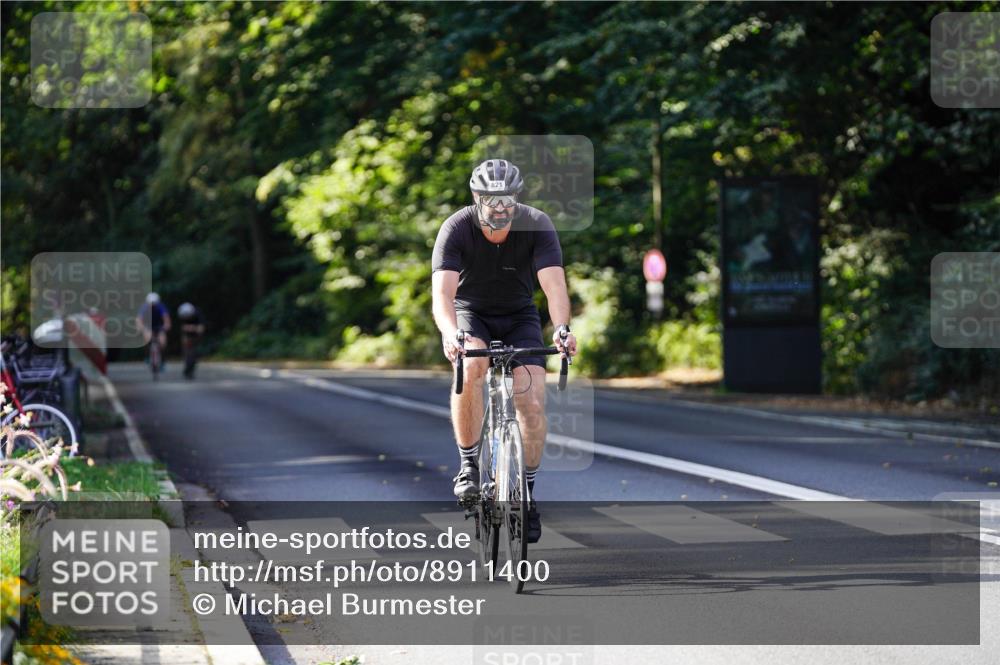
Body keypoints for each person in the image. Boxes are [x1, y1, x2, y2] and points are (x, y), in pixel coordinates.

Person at [431, 158, 578, 543]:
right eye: (491, 200)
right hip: (471, 314)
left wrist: (562, 329)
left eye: (507, 200)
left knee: (531, 402)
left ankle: (525, 493)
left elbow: (555, 288)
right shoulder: (456, 228)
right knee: (472, 365)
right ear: (476, 198)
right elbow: (443, 294)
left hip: (519, 316)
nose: (500, 209)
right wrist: (451, 334)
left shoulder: (537, 224)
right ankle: (468, 465)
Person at [136, 293, 170, 369]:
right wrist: (140, 327)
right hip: (148, 325)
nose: (152, 305)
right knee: (147, 339)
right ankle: (147, 356)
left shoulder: (161, 307)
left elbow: (166, 318)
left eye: (154, 303)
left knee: (162, 342)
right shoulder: (144, 307)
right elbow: (139, 319)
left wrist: (166, 326)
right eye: (151, 303)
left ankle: (163, 360)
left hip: (159, 325)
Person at [177, 302, 205, 379]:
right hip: (186, 334)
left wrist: (193, 328)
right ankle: (187, 366)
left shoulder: (198, 313)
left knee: (195, 352)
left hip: (196, 334)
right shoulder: (182, 314)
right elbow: (182, 328)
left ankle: (192, 366)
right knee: (186, 351)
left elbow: (201, 328)